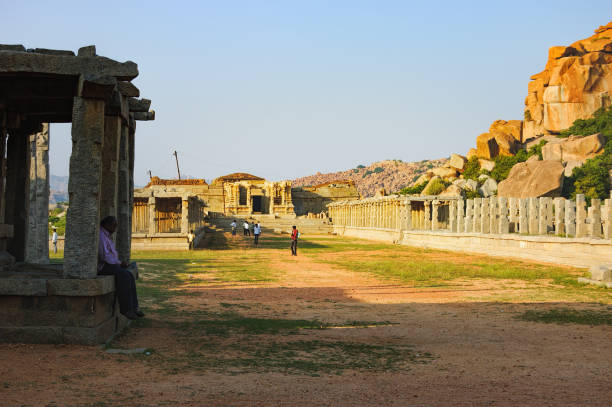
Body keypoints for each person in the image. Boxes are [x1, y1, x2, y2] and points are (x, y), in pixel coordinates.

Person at [98, 216, 143, 320]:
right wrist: (118, 263)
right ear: (107, 225)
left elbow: (111, 254)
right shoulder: (101, 236)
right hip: (103, 266)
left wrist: (119, 263)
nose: (115, 228)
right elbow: (104, 256)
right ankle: (126, 310)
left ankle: (134, 307)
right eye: (114, 226)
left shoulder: (107, 235)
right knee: (123, 275)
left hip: (111, 264)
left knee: (129, 275)